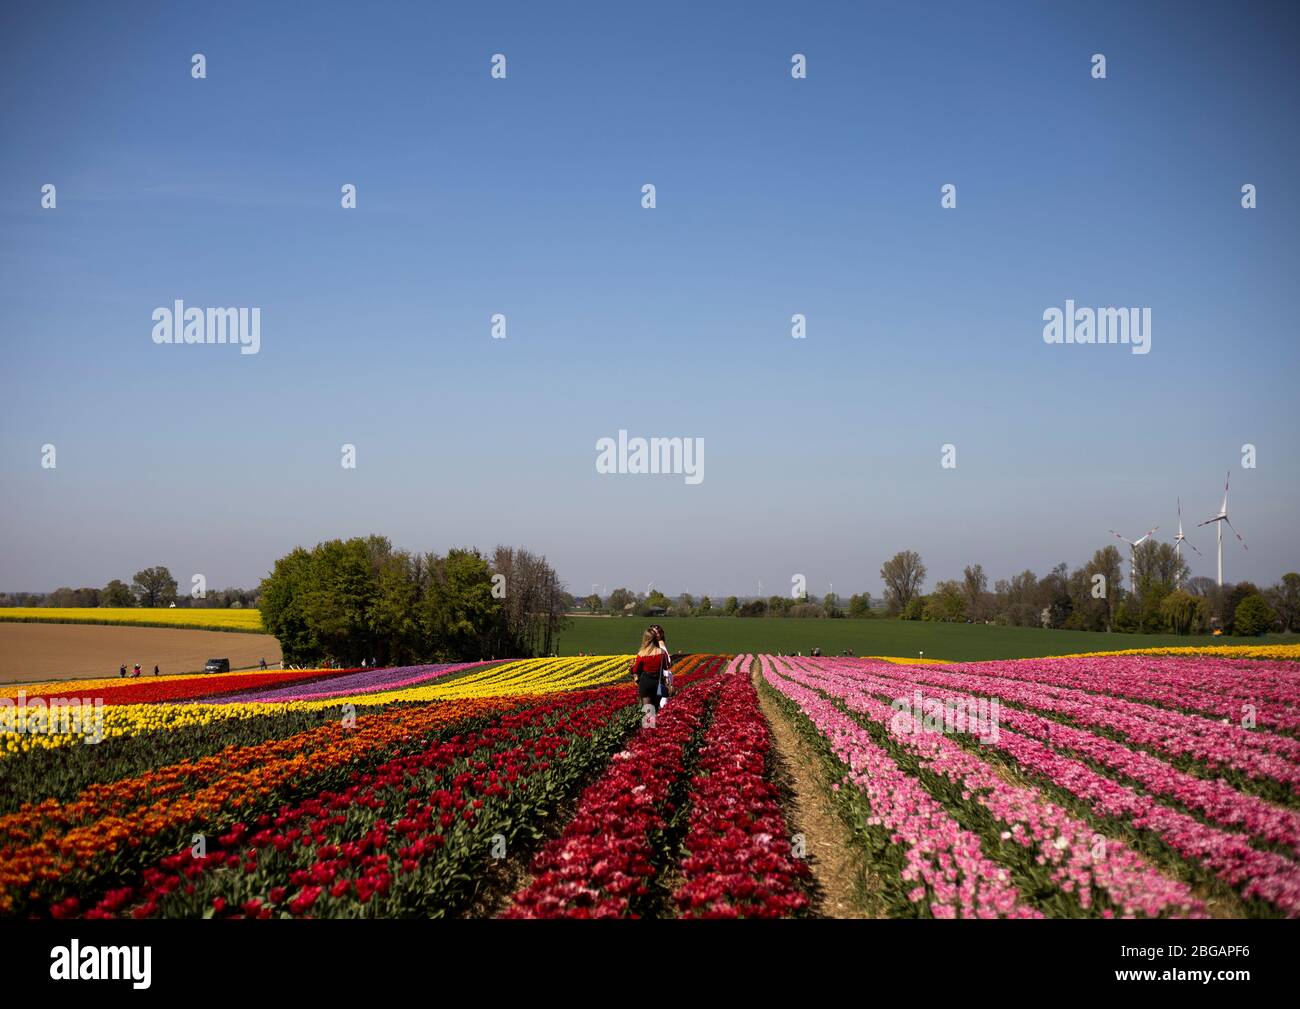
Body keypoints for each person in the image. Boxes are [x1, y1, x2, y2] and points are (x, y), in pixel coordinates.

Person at [629, 629, 668, 715]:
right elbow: (666, 666)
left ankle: (649, 727)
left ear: (645, 639)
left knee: (648, 710)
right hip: (658, 682)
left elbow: (636, 670)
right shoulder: (662, 652)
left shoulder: (642, 653)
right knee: (656, 707)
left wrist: (632, 668)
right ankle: (658, 726)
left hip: (646, 682)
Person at [649, 624, 673, 708]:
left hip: (662, 675)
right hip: (658, 675)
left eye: (657, 633)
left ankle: (663, 717)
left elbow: (667, 661)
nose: (655, 635)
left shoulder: (660, 644)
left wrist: (666, 677)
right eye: (653, 633)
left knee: (661, 700)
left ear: (661, 634)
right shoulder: (652, 645)